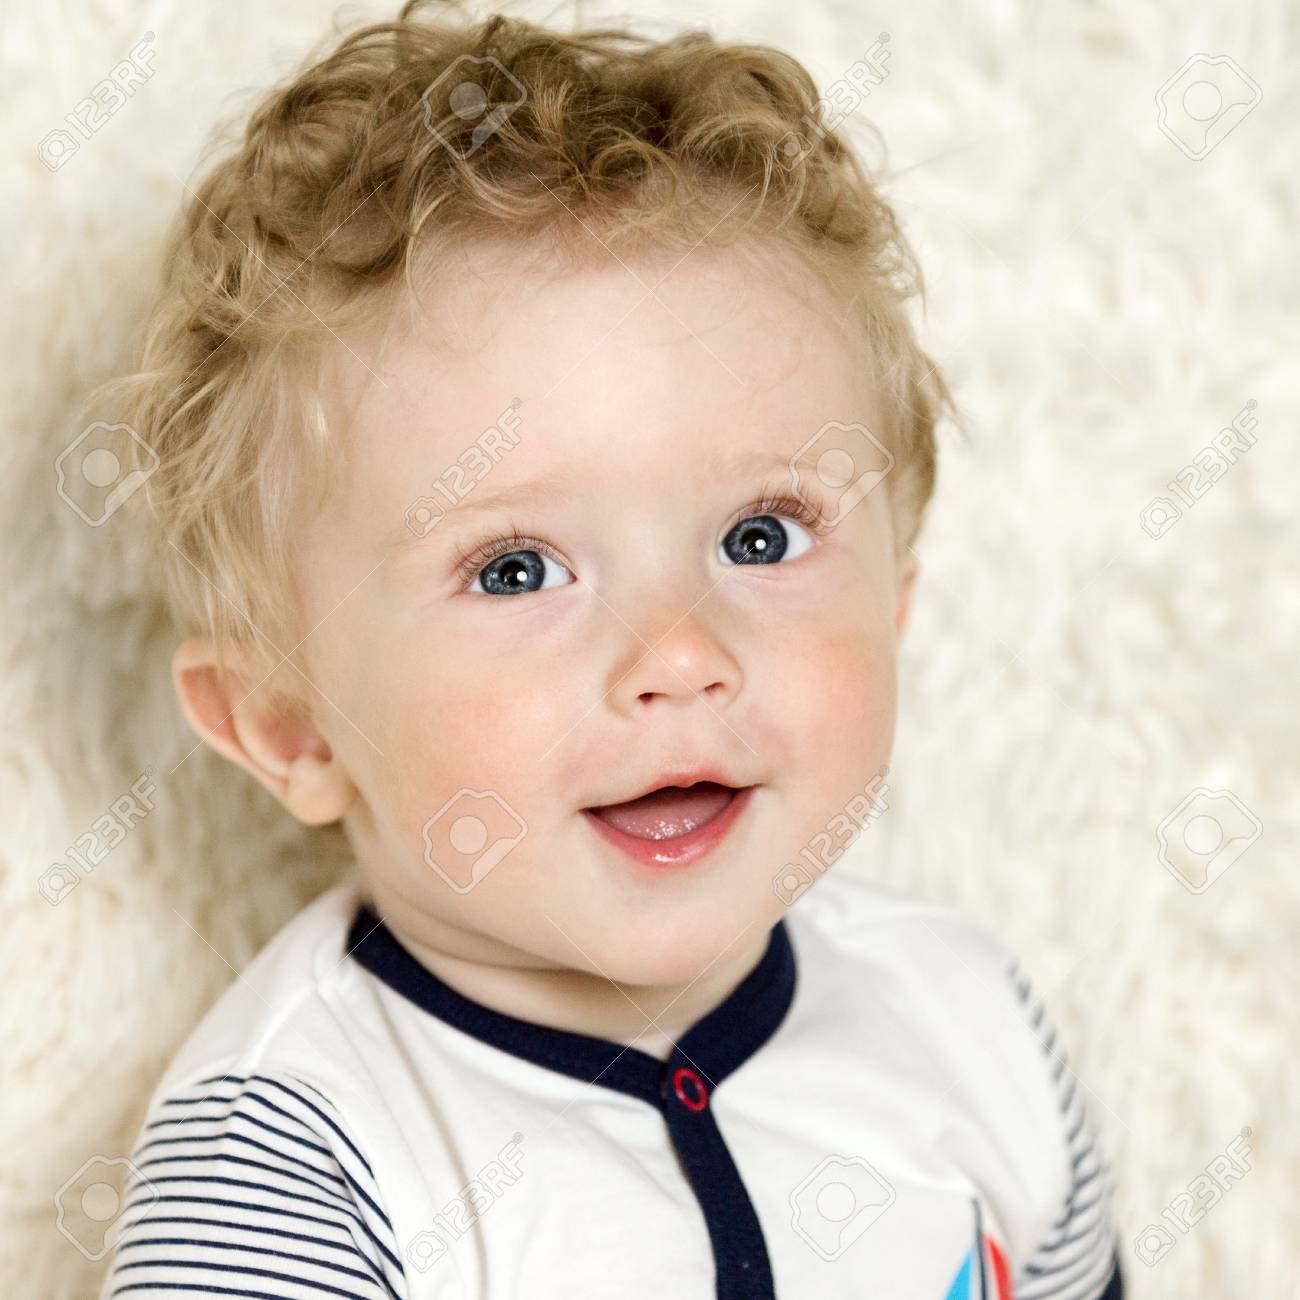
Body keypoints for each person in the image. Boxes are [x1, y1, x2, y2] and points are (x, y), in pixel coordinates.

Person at [95, 2, 1123, 1295]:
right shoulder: (298, 1155)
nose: (681, 654)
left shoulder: (967, 1022)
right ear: (289, 724)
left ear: (898, 600)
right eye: (516, 569)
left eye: (761, 538)